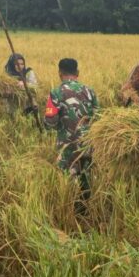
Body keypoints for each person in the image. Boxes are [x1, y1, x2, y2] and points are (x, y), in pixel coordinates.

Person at [44, 58, 99, 214]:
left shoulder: (56, 93)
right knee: (86, 175)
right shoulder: (90, 91)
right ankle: (86, 210)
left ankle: (70, 212)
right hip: (88, 143)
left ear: (60, 73)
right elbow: (99, 117)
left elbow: (50, 121)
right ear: (77, 73)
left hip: (67, 145)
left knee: (67, 177)